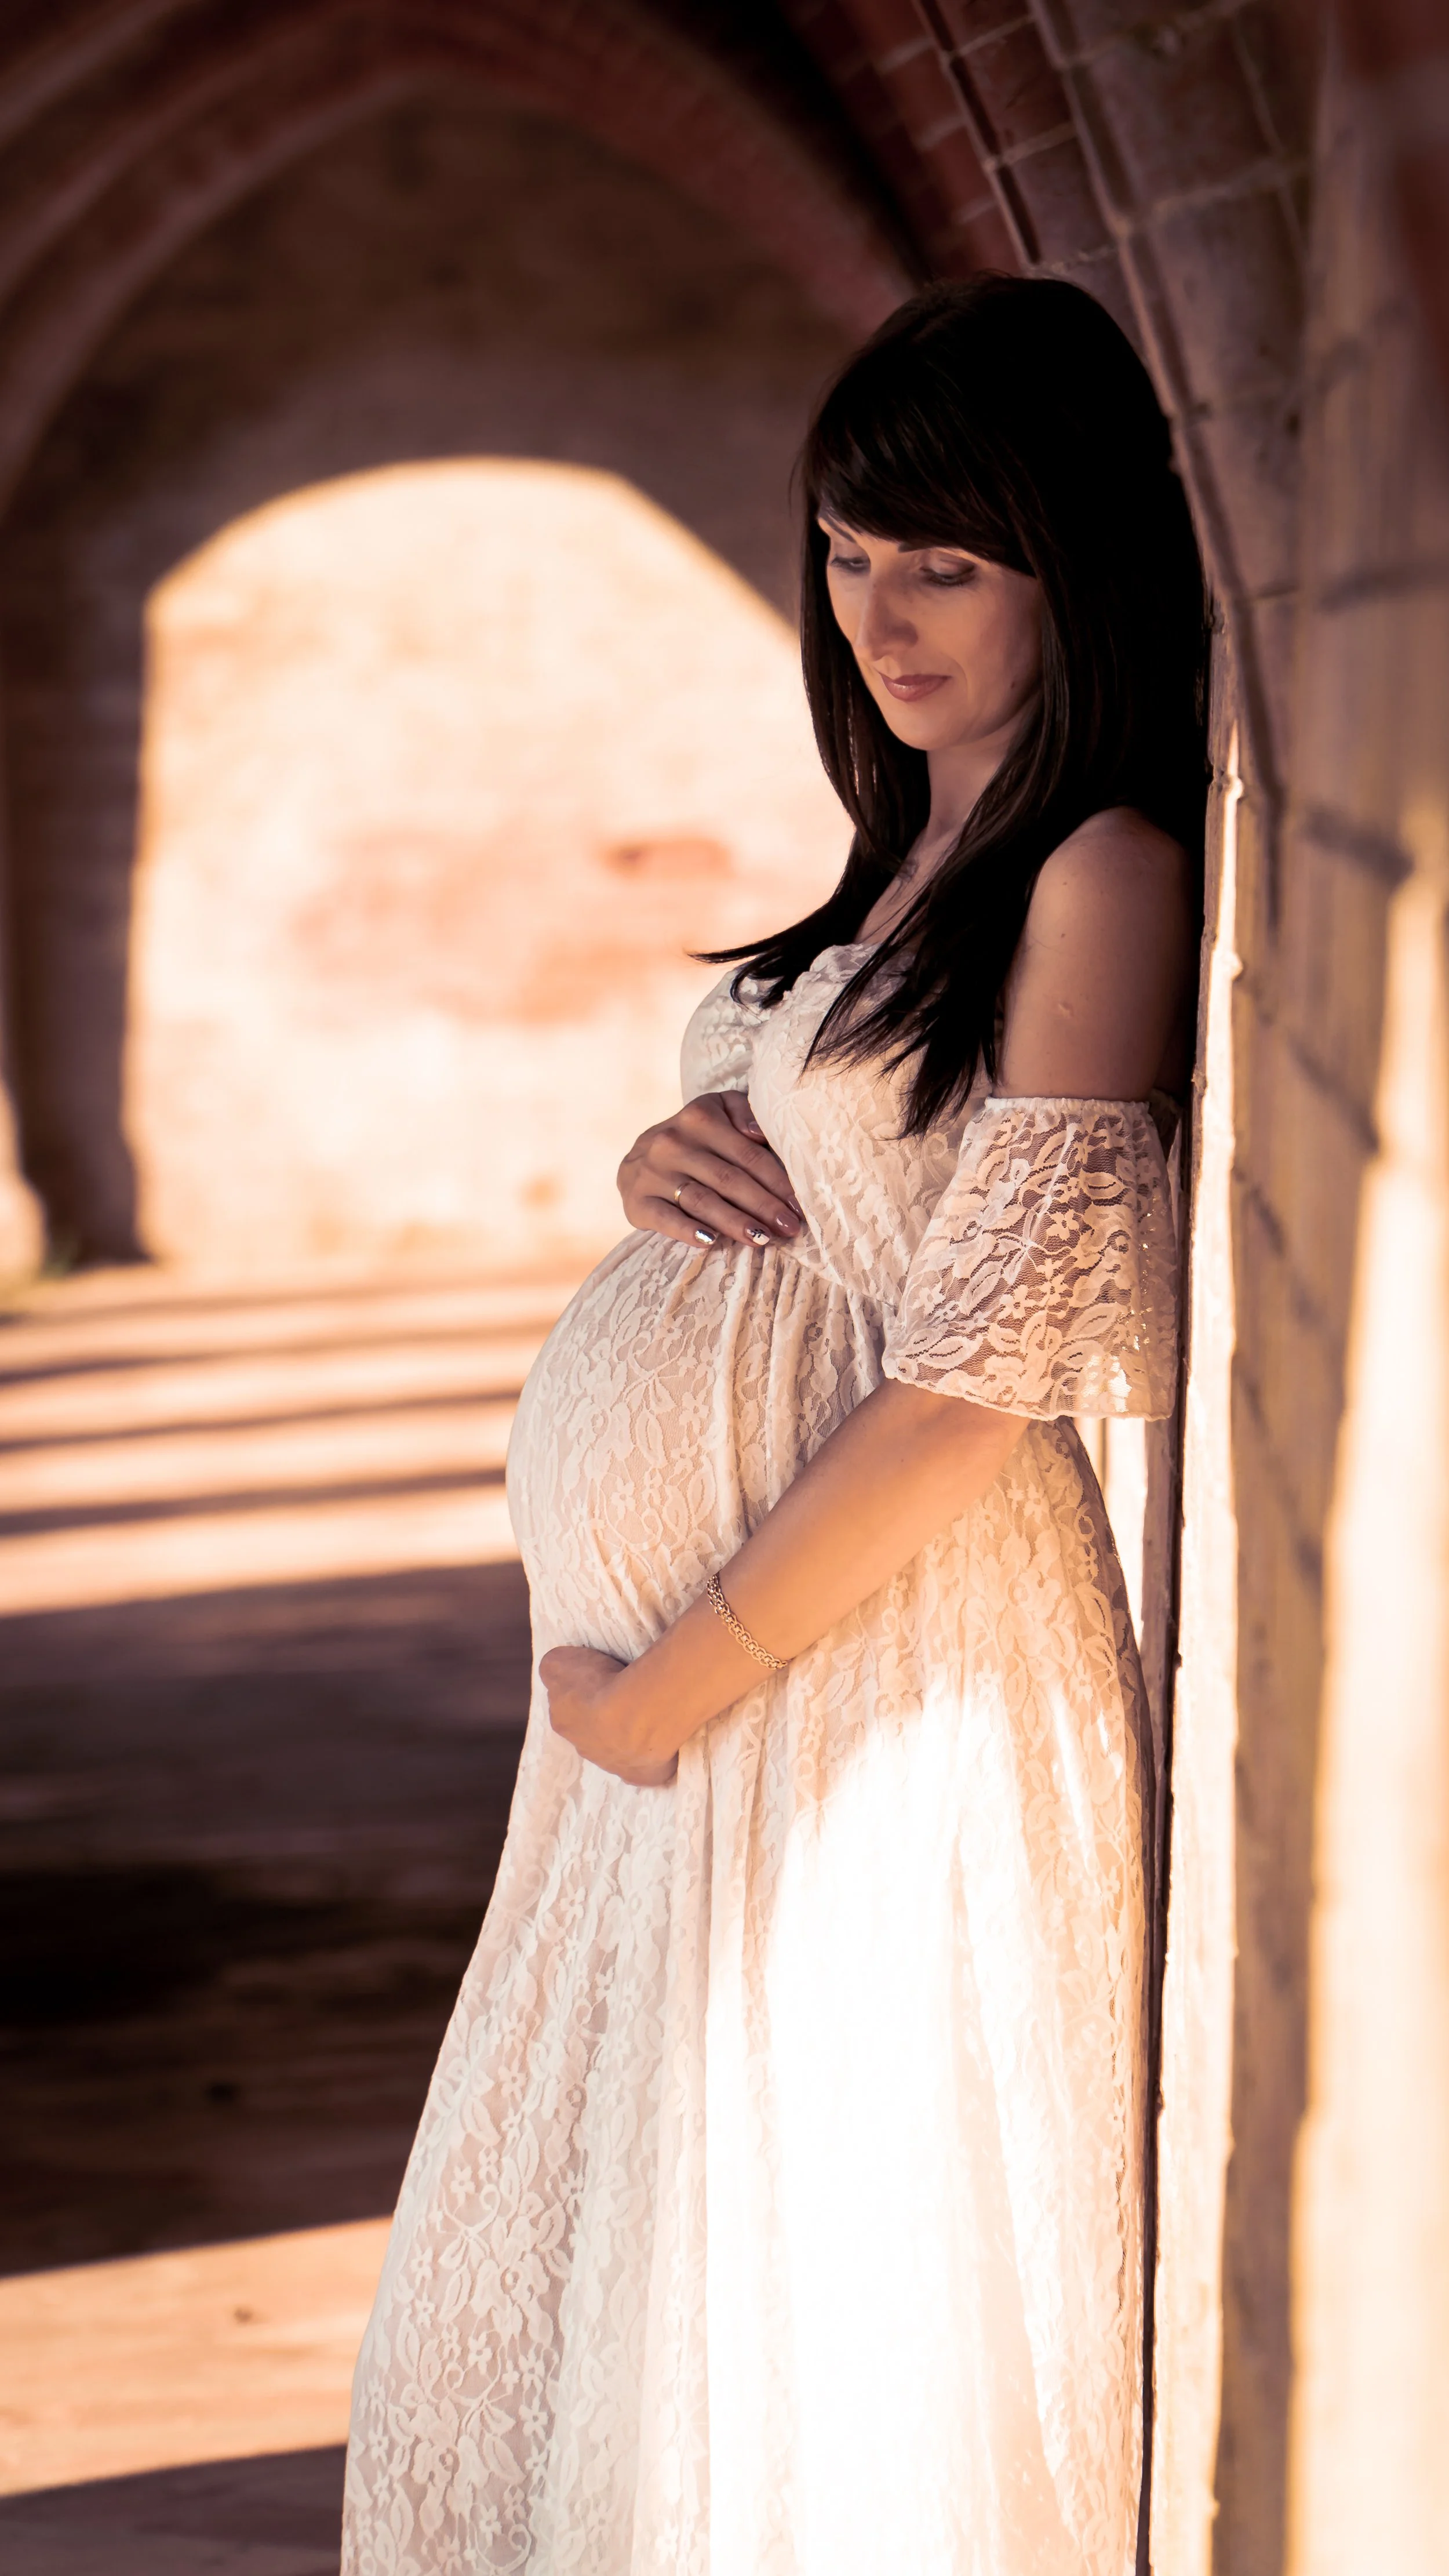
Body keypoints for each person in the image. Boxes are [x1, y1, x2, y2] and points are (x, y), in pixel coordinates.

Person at [343, 274, 1207, 2576]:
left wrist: (673, 1686)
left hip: (862, 1668)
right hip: (709, 1696)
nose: (878, 615)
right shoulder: (917, 851)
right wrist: (670, 1162)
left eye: (947, 562)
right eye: (846, 552)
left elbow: (981, 1374)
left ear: (1073, 565)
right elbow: (854, 1179)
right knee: (636, 2283)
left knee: (816, 2273)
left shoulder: (1098, 869)